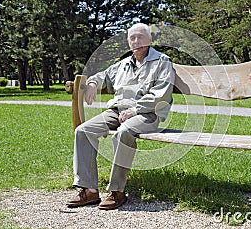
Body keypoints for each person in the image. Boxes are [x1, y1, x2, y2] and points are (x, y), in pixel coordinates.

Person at [67, 23, 175, 210]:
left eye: (140, 37)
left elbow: (161, 96)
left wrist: (134, 110)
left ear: (150, 40)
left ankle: (117, 191)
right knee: (83, 131)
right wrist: (92, 83)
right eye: (132, 38)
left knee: (123, 132)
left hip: (147, 114)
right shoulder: (124, 64)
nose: (136, 41)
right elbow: (104, 76)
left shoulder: (162, 62)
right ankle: (89, 190)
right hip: (117, 111)